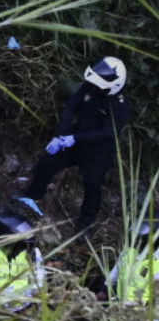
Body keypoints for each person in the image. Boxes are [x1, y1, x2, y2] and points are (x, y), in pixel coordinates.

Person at [20, 58, 130, 231]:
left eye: (98, 86)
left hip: (98, 153)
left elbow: (108, 134)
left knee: (92, 186)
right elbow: (70, 107)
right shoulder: (91, 87)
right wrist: (60, 135)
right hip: (74, 140)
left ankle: (86, 225)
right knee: (48, 160)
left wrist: (75, 138)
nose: (94, 88)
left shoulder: (119, 104)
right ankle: (33, 195)